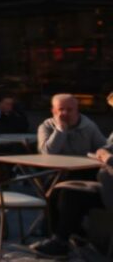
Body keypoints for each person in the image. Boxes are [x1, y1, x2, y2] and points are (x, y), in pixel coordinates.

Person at [31, 94, 111, 258]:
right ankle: (62, 237)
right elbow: (47, 153)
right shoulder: (46, 126)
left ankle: (61, 237)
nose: (65, 113)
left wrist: (107, 157)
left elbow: (104, 148)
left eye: (70, 109)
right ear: (53, 111)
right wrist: (60, 130)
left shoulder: (88, 126)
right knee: (65, 189)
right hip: (63, 173)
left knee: (67, 188)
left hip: (101, 180)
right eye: (61, 109)